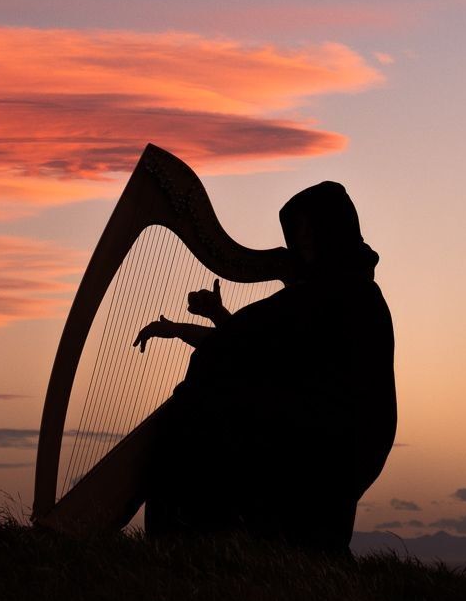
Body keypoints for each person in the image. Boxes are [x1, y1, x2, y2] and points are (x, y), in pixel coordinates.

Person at [132, 181, 396, 554]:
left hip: (329, 444)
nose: (302, 241)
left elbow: (244, 345)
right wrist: (204, 321)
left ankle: (180, 543)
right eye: (297, 232)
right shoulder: (347, 292)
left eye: (310, 230)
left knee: (193, 413)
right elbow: (260, 348)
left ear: (333, 230)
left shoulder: (335, 295)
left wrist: (199, 334)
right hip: (332, 437)